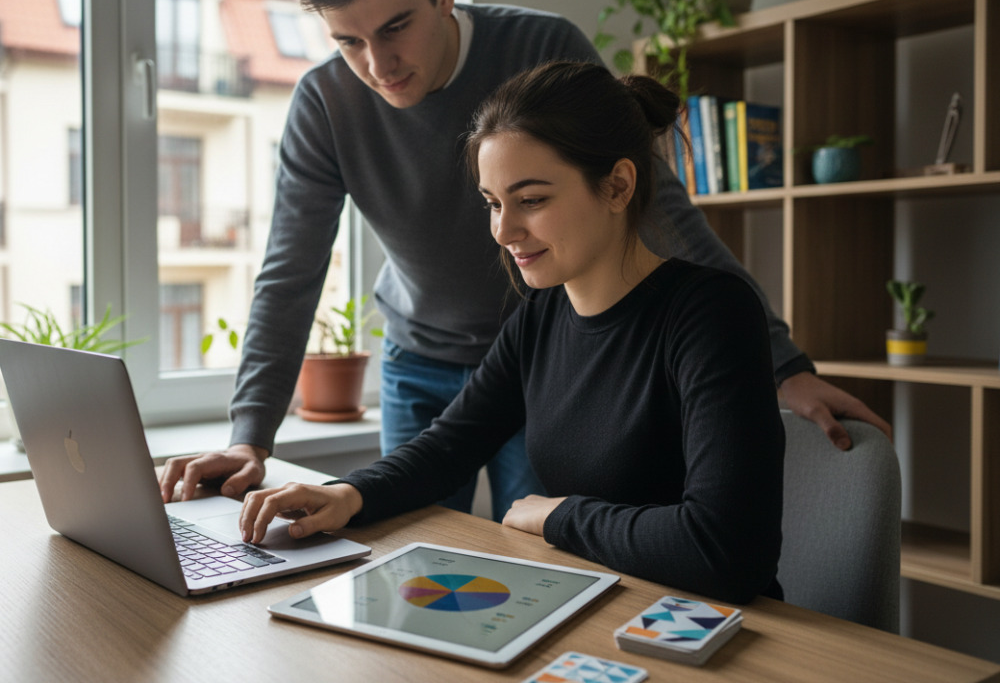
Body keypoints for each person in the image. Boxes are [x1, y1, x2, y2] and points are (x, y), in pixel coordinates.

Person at [159, 0, 887, 519]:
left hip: (542, 358)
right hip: (418, 357)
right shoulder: (325, 102)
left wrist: (781, 362)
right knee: (403, 546)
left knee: (547, 556)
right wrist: (250, 437)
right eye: (348, 41)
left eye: (395, 28)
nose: (377, 66)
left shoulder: (538, 44)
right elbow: (290, 270)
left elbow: (657, 204)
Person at [238, 62, 785, 604]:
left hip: (708, 624)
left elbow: (726, 550)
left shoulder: (712, 313)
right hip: (601, 600)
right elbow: (450, 445)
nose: (503, 231)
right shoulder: (542, 313)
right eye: (493, 203)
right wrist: (349, 494)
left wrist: (558, 515)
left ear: (618, 186)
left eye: (531, 200)